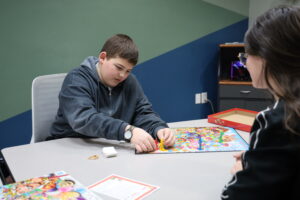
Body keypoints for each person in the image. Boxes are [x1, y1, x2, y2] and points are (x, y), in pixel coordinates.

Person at [221, 6, 300, 200]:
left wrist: (243, 170)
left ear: (266, 57)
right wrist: (258, 158)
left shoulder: (279, 119)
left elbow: (234, 196)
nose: (245, 63)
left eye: (246, 55)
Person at [50, 34, 175, 153]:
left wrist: (158, 128)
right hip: (70, 148)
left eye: (128, 71)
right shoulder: (76, 79)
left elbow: (142, 112)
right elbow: (84, 119)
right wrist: (127, 131)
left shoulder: (130, 81)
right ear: (103, 57)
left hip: (109, 148)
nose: (122, 75)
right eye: (119, 67)